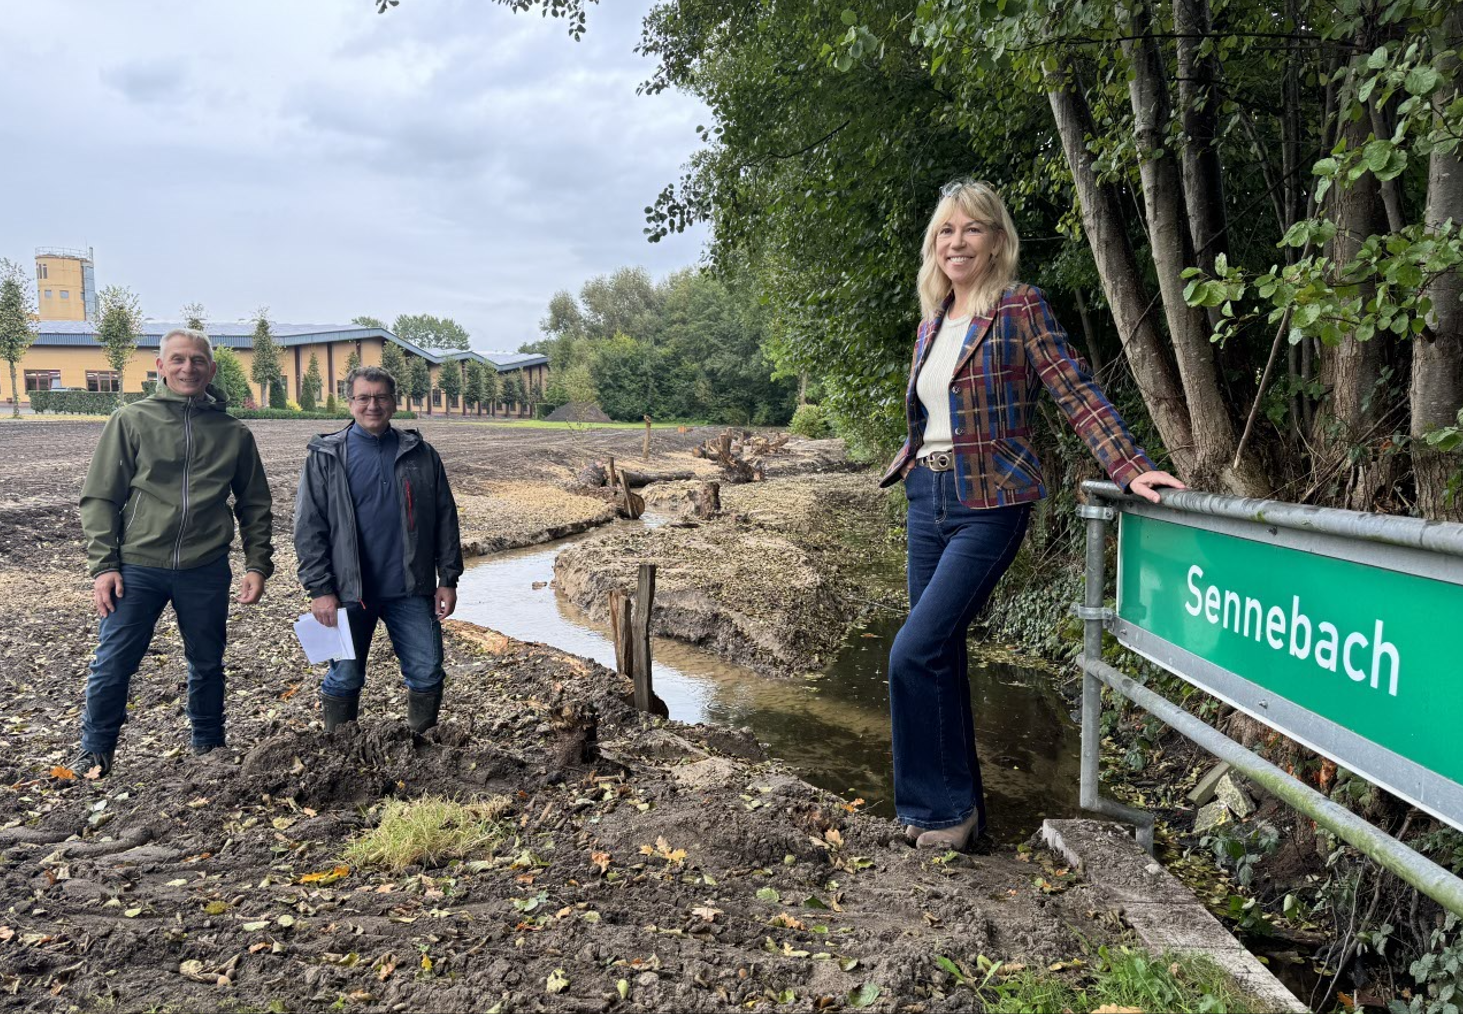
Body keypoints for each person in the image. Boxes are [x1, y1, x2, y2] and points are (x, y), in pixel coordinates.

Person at [879, 180, 1185, 850]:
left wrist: (1127, 467)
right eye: (945, 231)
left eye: (971, 229)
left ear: (995, 240)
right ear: (934, 245)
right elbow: (928, 415)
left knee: (913, 651)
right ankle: (946, 812)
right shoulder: (932, 321)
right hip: (924, 497)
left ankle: (940, 813)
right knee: (937, 656)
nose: (956, 242)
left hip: (988, 503)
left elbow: (1074, 390)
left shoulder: (1018, 308)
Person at [77, 328, 274, 777]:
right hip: (137, 567)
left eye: (198, 360)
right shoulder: (131, 420)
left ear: (212, 368)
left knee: (207, 663)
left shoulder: (234, 433)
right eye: (179, 360)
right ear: (160, 366)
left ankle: (209, 748)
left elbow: (254, 504)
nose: (189, 368)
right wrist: (104, 565)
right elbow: (100, 498)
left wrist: (257, 563)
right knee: (113, 662)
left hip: (205, 568)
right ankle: (95, 750)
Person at [294, 364, 462, 734]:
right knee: (345, 676)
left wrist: (447, 578)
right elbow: (309, 529)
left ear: (394, 401)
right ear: (350, 402)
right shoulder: (325, 457)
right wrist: (320, 590)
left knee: (427, 670)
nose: (373, 405)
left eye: (381, 397)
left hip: (411, 589)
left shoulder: (421, 454)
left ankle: (420, 749)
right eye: (364, 397)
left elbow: (446, 519)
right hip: (348, 594)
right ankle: (340, 749)